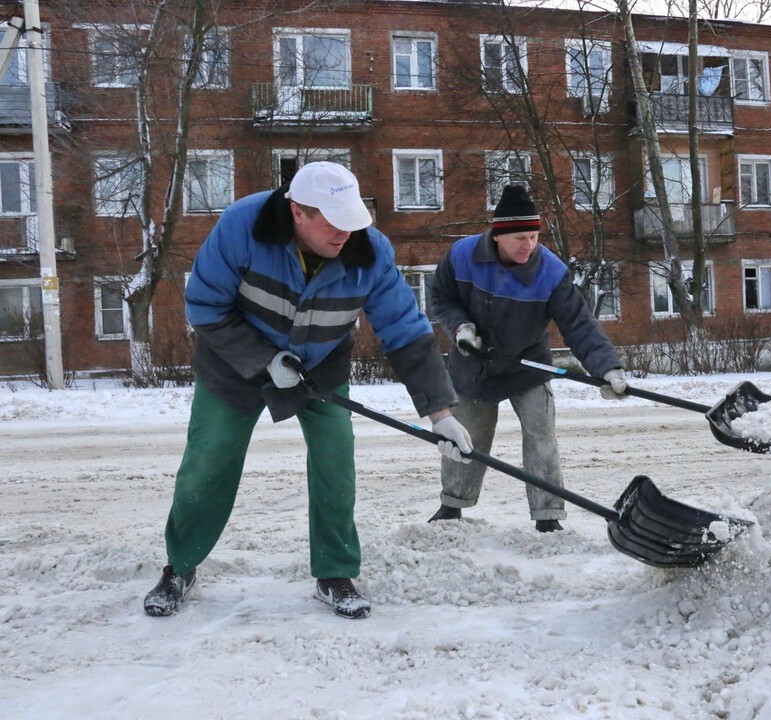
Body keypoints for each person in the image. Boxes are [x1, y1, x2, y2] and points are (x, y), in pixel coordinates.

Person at [143, 162, 473, 620]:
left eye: (353, 221)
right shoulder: (242, 227)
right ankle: (179, 567)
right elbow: (204, 305)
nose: (346, 234)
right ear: (298, 212)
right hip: (232, 366)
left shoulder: (370, 251)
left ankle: (335, 572)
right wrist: (263, 360)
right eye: (334, 223)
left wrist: (441, 414)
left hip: (317, 365)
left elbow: (404, 329)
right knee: (208, 461)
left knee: (335, 462)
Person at [426, 184, 628, 532]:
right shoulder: (462, 255)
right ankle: (452, 505)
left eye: (534, 236)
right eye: (520, 237)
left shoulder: (550, 271)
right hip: (472, 361)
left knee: (541, 437)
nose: (529, 245)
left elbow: (579, 324)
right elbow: (440, 296)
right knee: (465, 435)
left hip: (527, 365)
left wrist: (607, 367)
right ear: (498, 235)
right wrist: (461, 327)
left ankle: (548, 515)